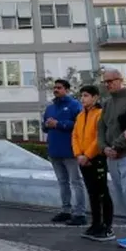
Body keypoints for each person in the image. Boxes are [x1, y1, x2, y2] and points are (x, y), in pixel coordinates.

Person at [96, 69, 126, 249]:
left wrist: (116, 146)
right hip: (111, 157)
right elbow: (101, 129)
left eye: (111, 81)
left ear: (120, 80)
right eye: (105, 82)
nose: (108, 84)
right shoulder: (106, 103)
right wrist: (104, 147)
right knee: (121, 197)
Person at [72, 85, 113, 241]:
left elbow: (99, 138)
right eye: (81, 95)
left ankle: (107, 226)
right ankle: (95, 223)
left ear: (96, 97)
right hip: (82, 158)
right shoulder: (81, 115)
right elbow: (75, 136)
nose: (83, 99)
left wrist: (88, 155)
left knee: (102, 192)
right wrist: (78, 154)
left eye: (86, 95)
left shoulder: (100, 114)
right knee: (92, 193)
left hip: (96, 158)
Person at [43, 79, 86, 226]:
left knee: (76, 182)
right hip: (55, 150)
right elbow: (44, 127)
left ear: (66, 89)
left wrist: (59, 124)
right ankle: (66, 210)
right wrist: (47, 124)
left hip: (70, 150)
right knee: (62, 182)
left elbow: (80, 125)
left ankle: (80, 213)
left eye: (59, 88)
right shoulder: (50, 108)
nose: (56, 90)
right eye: (54, 87)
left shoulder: (75, 105)